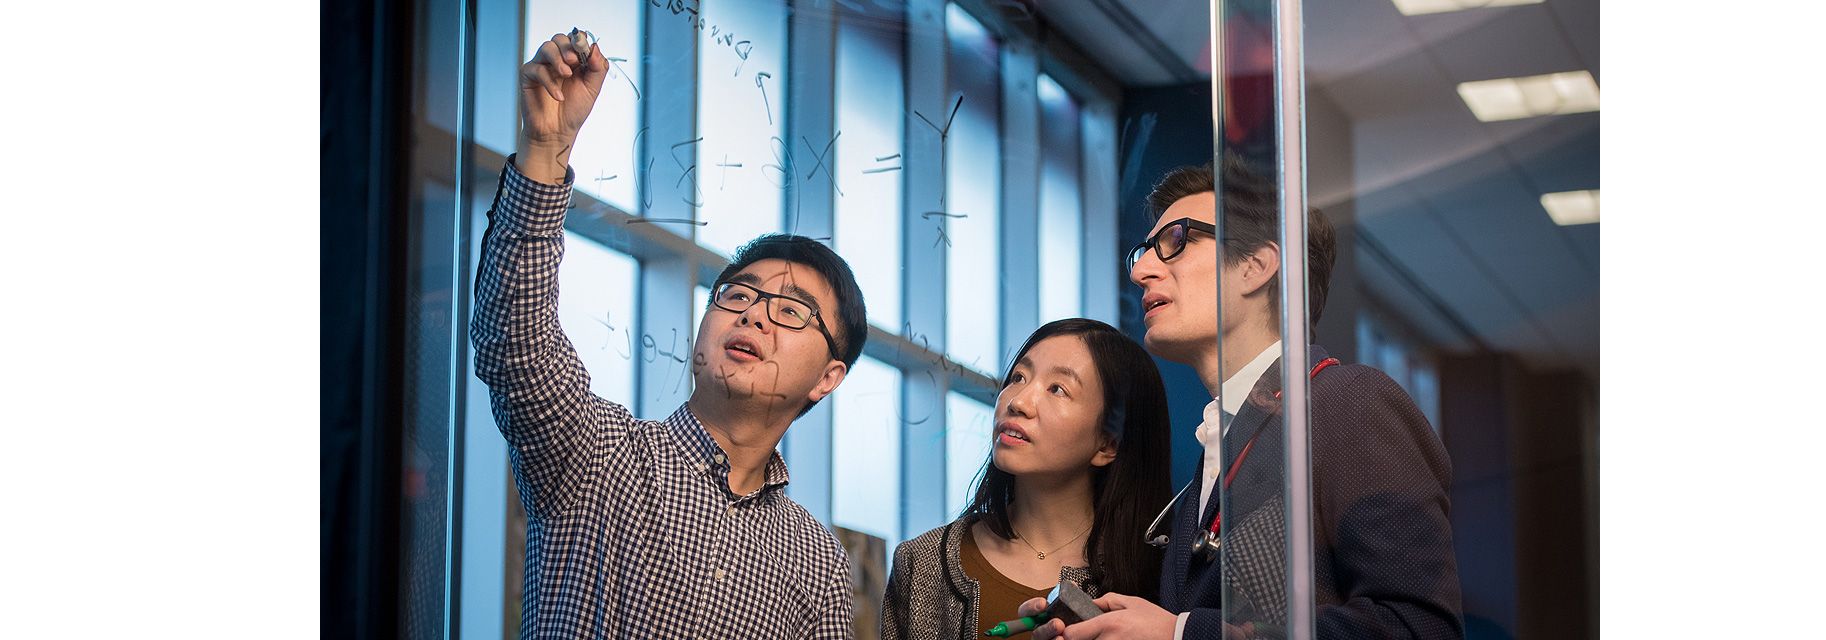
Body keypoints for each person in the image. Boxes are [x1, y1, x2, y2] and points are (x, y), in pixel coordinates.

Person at [472, 31, 867, 638]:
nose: (754, 315)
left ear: (828, 377)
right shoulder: (597, 455)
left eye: (791, 311)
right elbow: (516, 342)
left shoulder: (818, 561)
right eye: (739, 295)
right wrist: (545, 151)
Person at [1024, 160, 1462, 640]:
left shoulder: (1349, 401)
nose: (1142, 271)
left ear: (1256, 267)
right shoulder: (1217, 454)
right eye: (1144, 252)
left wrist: (1183, 634)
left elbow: (1421, 627)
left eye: (1175, 241)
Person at [883, 319, 1172, 640]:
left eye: (1057, 389)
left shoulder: (1161, 575)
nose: (1017, 402)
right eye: (1018, 377)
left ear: (1108, 444)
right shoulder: (922, 560)